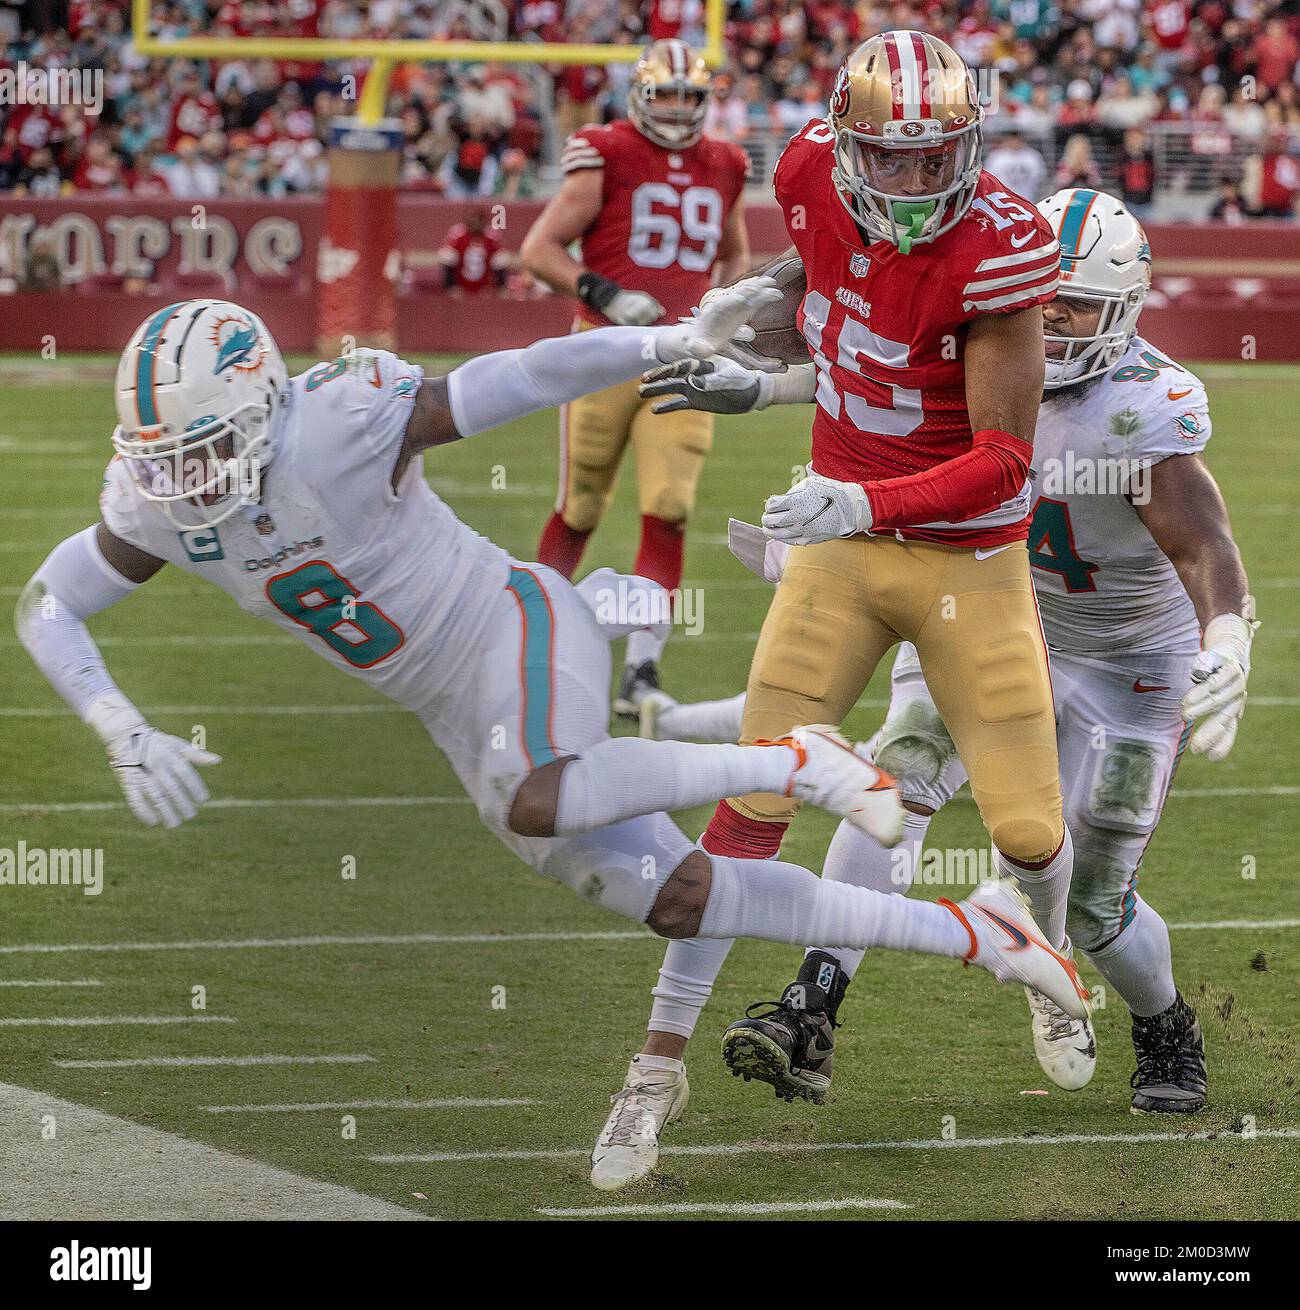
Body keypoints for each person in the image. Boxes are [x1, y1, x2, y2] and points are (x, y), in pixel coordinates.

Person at [16, 292, 1088, 1097]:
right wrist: (116, 721)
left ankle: (790, 761)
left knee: (542, 788)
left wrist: (667, 341)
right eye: (166, 457)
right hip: (451, 707)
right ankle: (979, 931)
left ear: (260, 404)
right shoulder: (159, 506)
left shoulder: (341, 418)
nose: (185, 479)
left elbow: (520, 374)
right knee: (682, 897)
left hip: (513, 618)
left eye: (203, 449)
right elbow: (48, 606)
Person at [594, 191, 1254, 1188]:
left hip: (1127, 662)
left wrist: (1228, 633)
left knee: (1090, 901)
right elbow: (867, 379)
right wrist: (773, 390)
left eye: (1068, 304)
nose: (1041, 315)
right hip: (991, 615)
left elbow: (1199, 537)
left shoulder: (1138, 407)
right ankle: (811, 1003)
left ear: (1119, 308)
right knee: (890, 777)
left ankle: (1161, 1022)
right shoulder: (976, 339)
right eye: (1038, 296)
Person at [581, 29, 1077, 1187]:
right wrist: (751, 332)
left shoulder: (1002, 250)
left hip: (963, 562)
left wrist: (856, 493)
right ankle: (653, 1069)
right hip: (839, 551)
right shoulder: (807, 173)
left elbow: (1005, 460)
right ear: (845, 145)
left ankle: (1047, 961)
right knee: (747, 804)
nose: (910, 183)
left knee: (1025, 830)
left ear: (969, 143)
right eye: (887, 159)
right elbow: (825, 287)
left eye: (932, 157)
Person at [521, 39, 752, 715]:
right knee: (582, 504)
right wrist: (605, 293)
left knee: (671, 509)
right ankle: (536, 645)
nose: (679, 110)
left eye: (691, 97)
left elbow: (734, 253)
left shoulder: (728, 162)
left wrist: (722, 305)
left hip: (683, 354)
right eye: (667, 96)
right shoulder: (607, 150)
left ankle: (641, 673)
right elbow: (538, 249)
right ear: (639, 97)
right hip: (603, 348)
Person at [985, 127, 1047, 200]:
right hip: (1002, 199)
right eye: (1012, 140)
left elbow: (1039, 176)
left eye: (1017, 140)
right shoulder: (996, 156)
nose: (1015, 143)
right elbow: (989, 178)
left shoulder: (1032, 155)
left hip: (1027, 197)